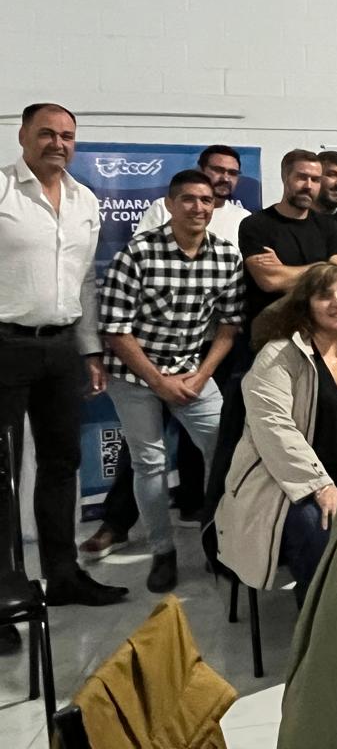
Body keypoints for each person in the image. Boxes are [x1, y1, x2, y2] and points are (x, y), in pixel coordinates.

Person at [84, 143, 248, 559]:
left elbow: (229, 325)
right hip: (136, 373)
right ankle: (161, 550)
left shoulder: (227, 253)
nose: (198, 207)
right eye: (189, 199)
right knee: (150, 461)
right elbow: (116, 330)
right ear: (170, 204)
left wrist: (203, 374)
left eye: (206, 200)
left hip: (194, 367)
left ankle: (219, 542)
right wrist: (159, 382)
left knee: (225, 450)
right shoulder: (136, 254)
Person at [214, 264, 337, 602]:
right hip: (285, 477)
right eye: (324, 295)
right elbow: (275, 431)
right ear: (305, 304)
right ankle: (320, 615)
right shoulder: (277, 356)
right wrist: (319, 485)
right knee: (318, 525)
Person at [0, 103, 126, 622]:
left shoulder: (84, 200)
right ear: (23, 136)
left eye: (67, 135)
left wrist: (90, 349)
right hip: (5, 345)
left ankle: (63, 574)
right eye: (47, 133)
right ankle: (4, 592)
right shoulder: (3, 189)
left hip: (62, 348)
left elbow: (85, 281)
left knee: (61, 464)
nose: (58, 143)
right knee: (2, 472)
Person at [239, 149, 337, 329]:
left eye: (315, 180)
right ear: (285, 177)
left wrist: (285, 271)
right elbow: (270, 281)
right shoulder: (255, 224)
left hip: (319, 329)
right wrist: (324, 267)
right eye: (301, 177)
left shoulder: (329, 226)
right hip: (272, 329)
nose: (309, 186)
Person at [134, 144, 250, 244]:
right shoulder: (164, 207)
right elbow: (139, 250)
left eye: (232, 173)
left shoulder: (244, 218)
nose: (225, 178)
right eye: (218, 170)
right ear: (200, 170)